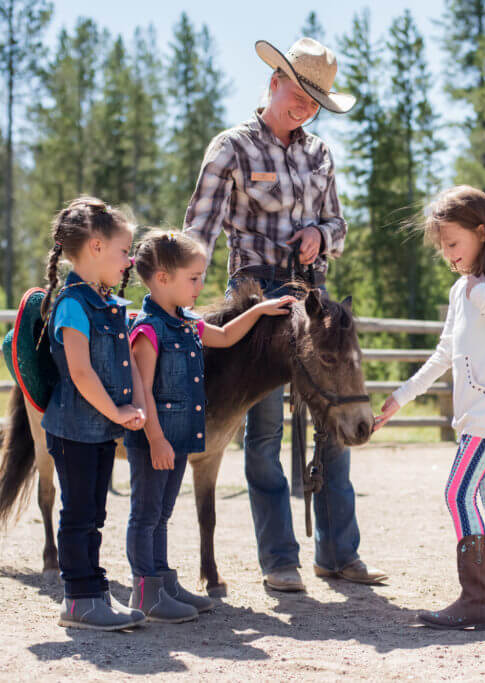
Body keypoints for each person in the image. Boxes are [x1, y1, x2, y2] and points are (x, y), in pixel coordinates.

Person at [184, 37, 386, 592]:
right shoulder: (232, 147)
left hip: (312, 305)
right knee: (265, 430)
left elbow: (339, 228)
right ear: (274, 83)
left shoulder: (320, 154)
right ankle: (280, 559)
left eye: (314, 102)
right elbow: (197, 231)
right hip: (254, 304)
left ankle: (339, 554)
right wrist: (178, 295)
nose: (305, 109)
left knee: (334, 423)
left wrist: (320, 236)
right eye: (298, 95)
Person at [374, 186, 485, 631]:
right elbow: (445, 351)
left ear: (481, 232)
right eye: (442, 247)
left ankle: (479, 600)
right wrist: (400, 396)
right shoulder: (459, 290)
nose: (448, 255)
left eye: (453, 244)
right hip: (475, 412)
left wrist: (482, 294)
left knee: (458, 491)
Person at [121, 230, 296, 621]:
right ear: (163, 279)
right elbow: (142, 392)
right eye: (194, 278)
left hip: (177, 439)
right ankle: (144, 590)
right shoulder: (148, 331)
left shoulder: (187, 322)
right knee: (146, 513)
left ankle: (163, 581)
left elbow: (225, 335)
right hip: (157, 441)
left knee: (162, 513)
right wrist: (156, 439)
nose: (201, 286)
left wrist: (259, 311)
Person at [39, 196, 148, 631]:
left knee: (94, 514)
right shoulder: (72, 305)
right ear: (97, 248)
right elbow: (82, 374)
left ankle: (95, 590)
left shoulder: (102, 302)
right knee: (80, 513)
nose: (130, 260)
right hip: (74, 431)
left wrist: (125, 411)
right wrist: (120, 411)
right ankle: (78, 599)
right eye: (124, 251)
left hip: (97, 429)